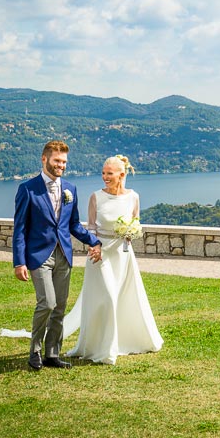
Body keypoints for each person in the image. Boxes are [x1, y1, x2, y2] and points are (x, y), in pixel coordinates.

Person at [64, 154, 163, 365]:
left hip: (123, 255)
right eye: (103, 173)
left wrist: (131, 232)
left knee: (123, 299)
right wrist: (93, 246)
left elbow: (136, 223)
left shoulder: (133, 197)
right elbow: (90, 227)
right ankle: (104, 348)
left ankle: (122, 342)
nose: (105, 177)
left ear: (122, 175)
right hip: (100, 254)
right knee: (107, 297)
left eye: (109, 173)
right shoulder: (96, 197)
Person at [10, 140, 101, 371]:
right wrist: (19, 261)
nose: (61, 165)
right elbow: (19, 228)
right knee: (47, 303)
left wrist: (94, 241)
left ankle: (52, 353)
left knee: (60, 306)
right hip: (39, 256)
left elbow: (73, 225)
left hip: (64, 255)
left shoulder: (70, 189)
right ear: (44, 159)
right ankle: (35, 351)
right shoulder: (27, 189)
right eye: (57, 161)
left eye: (64, 162)